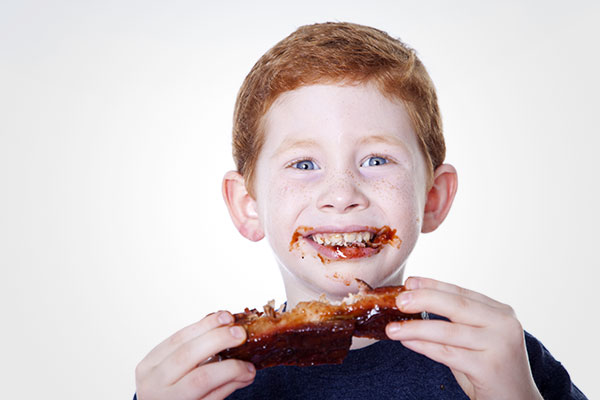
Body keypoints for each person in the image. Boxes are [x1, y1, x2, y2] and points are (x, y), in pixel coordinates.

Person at [134, 22, 586, 399]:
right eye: (304, 164)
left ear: (433, 197)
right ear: (247, 206)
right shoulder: (197, 383)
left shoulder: (501, 359)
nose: (341, 192)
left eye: (376, 160)